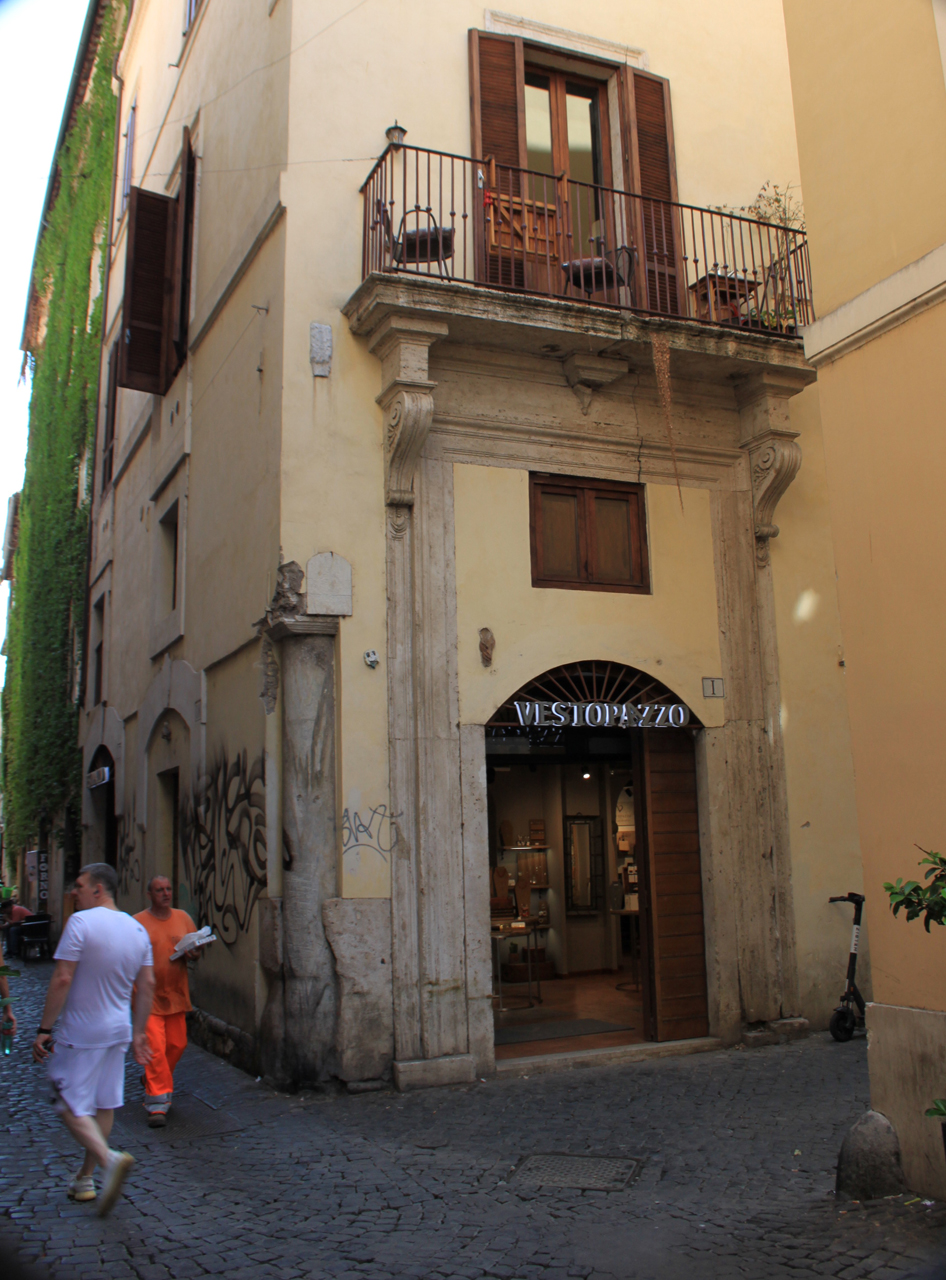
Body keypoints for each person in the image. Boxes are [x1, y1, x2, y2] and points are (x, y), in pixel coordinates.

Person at [32, 863, 154, 1217]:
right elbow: (146, 985)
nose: (75, 891)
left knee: (65, 1099)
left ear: (98, 889)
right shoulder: (136, 929)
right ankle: (84, 1179)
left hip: (82, 1031)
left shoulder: (81, 923)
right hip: (117, 1029)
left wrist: (44, 1029)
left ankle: (108, 1160)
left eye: (80, 885)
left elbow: (62, 978)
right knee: (103, 1104)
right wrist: (139, 1030)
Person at [134, 876, 200, 1128]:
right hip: (146, 997)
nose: (165, 893)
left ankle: (152, 1079)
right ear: (149, 894)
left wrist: (195, 951)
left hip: (175, 994)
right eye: (159, 890)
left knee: (177, 1043)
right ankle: (157, 1103)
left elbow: (195, 949)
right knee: (155, 1047)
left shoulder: (182, 918)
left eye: (168, 889)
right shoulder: (137, 922)